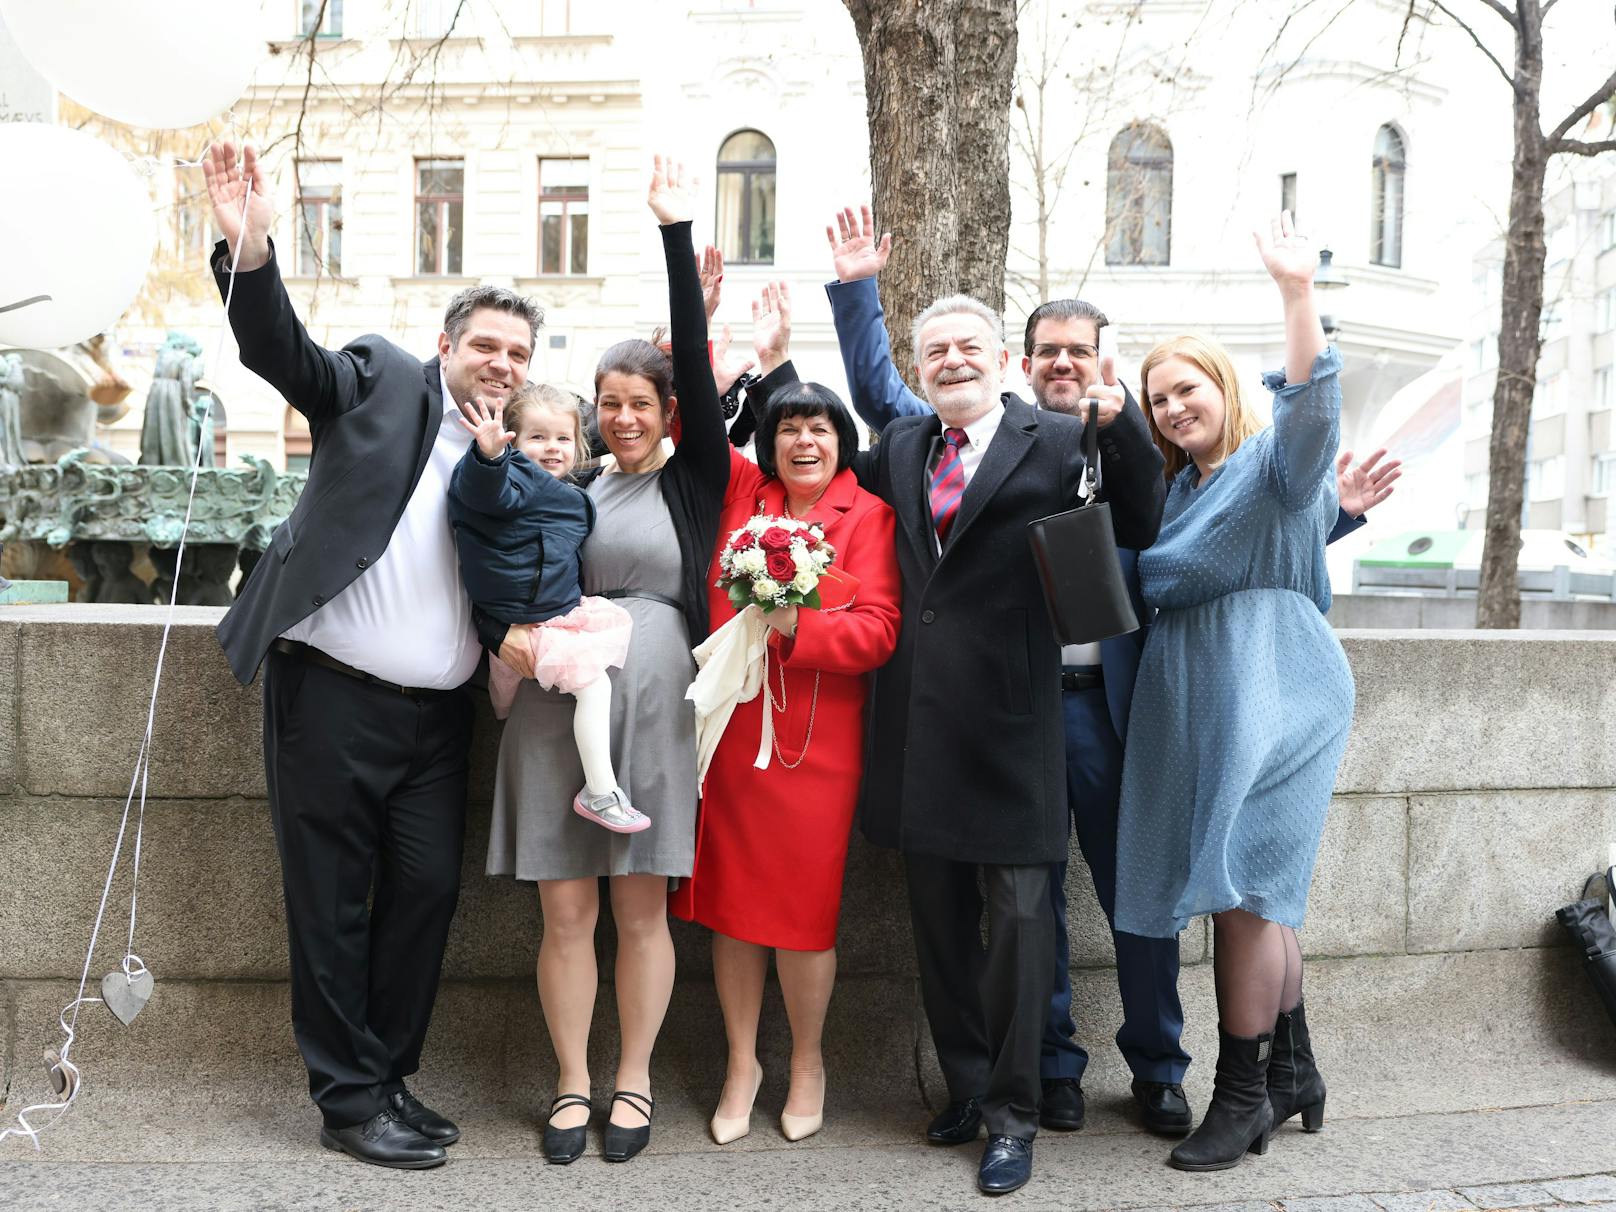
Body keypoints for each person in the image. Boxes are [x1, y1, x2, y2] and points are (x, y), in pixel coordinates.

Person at [819, 205, 1398, 1141]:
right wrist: (856, 294)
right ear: (1026, 360)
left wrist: (1333, 512)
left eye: (1075, 351)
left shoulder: (1125, 450)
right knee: (1027, 903)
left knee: (1143, 899)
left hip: (1114, 711)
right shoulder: (975, 446)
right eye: (1046, 349)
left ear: (1101, 360)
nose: (1059, 363)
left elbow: (1229, 534)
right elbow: (885, 399)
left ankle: (1161, 1070)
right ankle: (1052, 1072)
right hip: (1011, 714)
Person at [788, 244, 1166, 1193]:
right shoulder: (907, 446)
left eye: (969, 347)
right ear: (921, 373)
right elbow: (819, 460)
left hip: (1015, 726)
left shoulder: (1058, 435)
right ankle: (963, 1087)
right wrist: (762, 371)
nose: (951, 360)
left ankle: (1014, 1112)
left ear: (1002, 360)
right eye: (934, 353)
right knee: (941, 930)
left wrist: (1115, 426)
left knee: (1023, 928)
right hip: (918, 727)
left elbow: (1143, 516)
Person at [201, 141, 543, 1169]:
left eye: (520, 355)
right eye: (486, 345)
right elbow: (284, 358)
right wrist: (252, 248)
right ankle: (347, 1102)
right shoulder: (383, 382)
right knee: (330, 905)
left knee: (427, 897)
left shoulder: (511, 456)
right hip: (332, 699)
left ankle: (386, 1076)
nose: (502, 365)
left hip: (438, 721)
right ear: (447, 345)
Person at [483, 156, 730, 1166]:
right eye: (607, 401)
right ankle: (571, 1085)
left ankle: (632, 1082)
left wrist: (675, 237)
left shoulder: (691, 483)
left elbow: (703, 375)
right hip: (558, 703)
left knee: (639, 905)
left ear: (667, 411)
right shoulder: (570, 489)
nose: (622, 416)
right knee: (563, 907)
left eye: (640, 401)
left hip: (652, 702)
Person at [1115, 212, 1356, 1172]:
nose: (1173, 408)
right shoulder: (1182, 490)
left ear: (1223, 387)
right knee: (1258, 897)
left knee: (1246, 894)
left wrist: (1297, 294)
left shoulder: (1274, 463)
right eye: (1157, 398)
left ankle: (1244, 1094)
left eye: (1188, 389)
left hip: (1274, 689)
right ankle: (1293, 1071)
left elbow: (1310, 407)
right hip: (1198, 696)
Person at [666, 269, 902, 1145]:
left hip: (819, 746)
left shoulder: (870, 517)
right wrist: (704, 324)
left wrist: (796, 625)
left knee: (802, 916)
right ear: (768, 442)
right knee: (729, 908)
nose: (804, 440)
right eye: (789, 428)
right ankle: (740, 1061)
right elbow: (691, 413)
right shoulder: (740, 497)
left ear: (842, 440)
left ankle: (807, 1058)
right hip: (732, 735)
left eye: (820, 427)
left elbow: (878, 630)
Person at [447, 383, 640, 831]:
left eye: (563, 438)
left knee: (555, 716)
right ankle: (600, 793)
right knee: (593, 687)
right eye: (537, 437)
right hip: (530, 624)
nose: (552, 448)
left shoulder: (564, 491)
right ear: (513, 439)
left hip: (550, 618)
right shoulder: (503, 478)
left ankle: (571, 803)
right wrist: (489, 457)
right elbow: (483, 492)